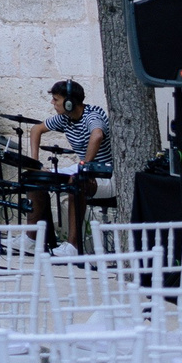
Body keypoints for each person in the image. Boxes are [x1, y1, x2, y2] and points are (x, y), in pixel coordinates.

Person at [25, 78, 112, 247]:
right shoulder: (65, 118)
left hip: (107, 174)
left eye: (56, 99)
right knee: (37, 178)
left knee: (77, 182)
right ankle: (32, 239)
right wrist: (36, 163)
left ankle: (73, 246)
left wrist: (85, 168)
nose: (52, 103)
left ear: (70, 102)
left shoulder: (92, 115)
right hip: (86, 168)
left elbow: (97, 135)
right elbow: (36, 129)